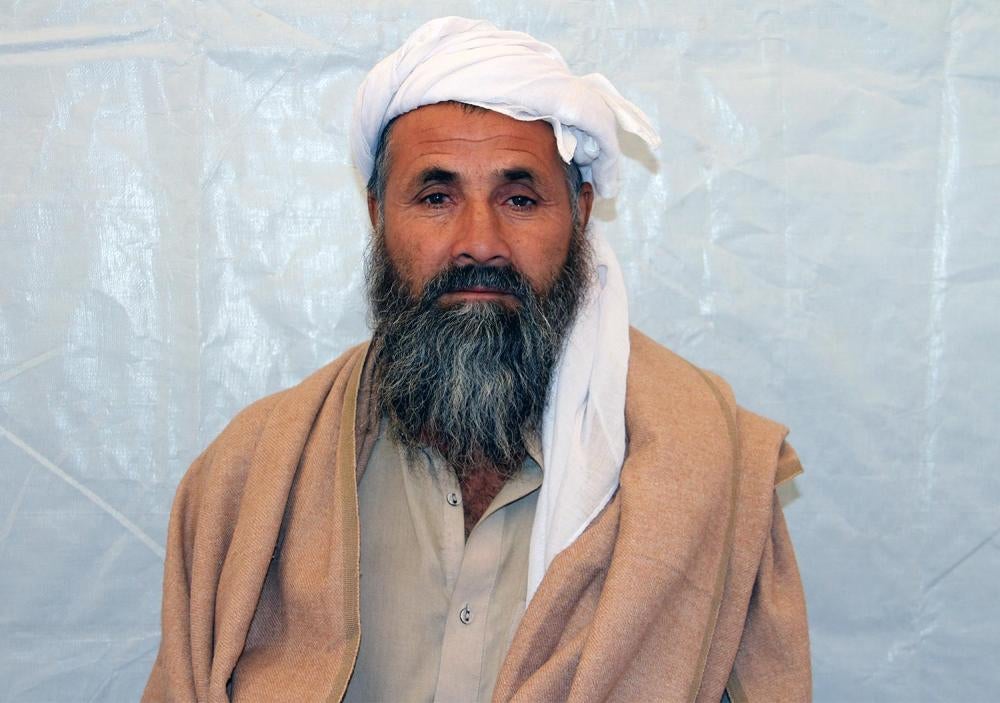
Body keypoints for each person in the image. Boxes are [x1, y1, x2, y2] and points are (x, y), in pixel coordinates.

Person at [144, 17, 810, 703]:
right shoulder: (249, 481)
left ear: (580, 213)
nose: (480, 242)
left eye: (520, 199)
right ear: (376, 212)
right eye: (436, 197)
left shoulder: (711, 477)